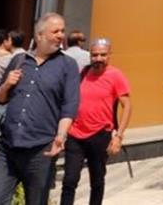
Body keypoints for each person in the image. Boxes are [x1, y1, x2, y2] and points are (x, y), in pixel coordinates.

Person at [0, 13, 80, 205]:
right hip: (8, 149)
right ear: (39, 35)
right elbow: (0, 98)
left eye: (62, 31)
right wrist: (7, 84)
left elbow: (69, 106)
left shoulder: (68, 65)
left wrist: (61, 136)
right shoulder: (19, 60)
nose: (61, 35)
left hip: (41, 151)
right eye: (55, 31)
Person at [60, 39, 132, 205]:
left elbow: (127, 106)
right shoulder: (82, 74)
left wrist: (118, 136)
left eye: (103, 55)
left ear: (109, 55)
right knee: (69, 180)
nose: (98, 58)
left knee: (97, 180)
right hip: (75, 134)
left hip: (100, 135)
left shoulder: (116, 75)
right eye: (94, 55)